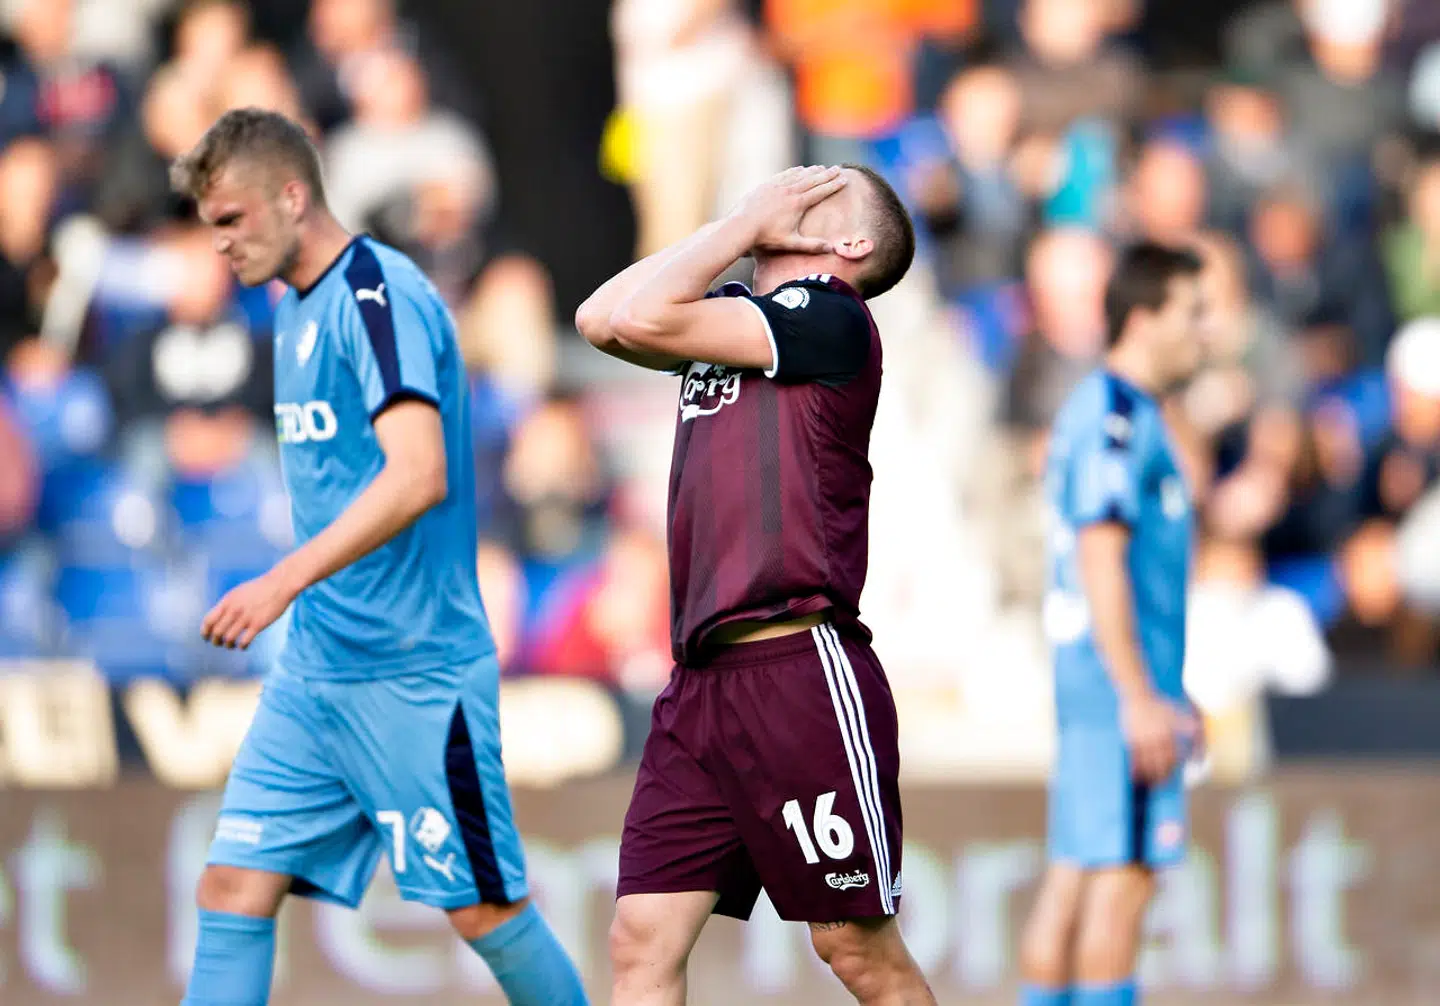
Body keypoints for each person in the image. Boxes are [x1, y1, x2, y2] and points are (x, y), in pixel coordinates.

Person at [169, 109, 587, 1006]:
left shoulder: (378, 294)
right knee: (232, 887)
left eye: (233, 219)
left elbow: (420, 473)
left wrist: (282, 579)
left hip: (415, 673)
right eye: (212, 227)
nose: (221, 244)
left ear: (292, 195)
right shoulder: (291, 309)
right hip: (321, 668)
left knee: (485, 912)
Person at [576, 164, 934, 1005]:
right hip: (701, 686)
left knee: (854, 947)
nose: (796, 183)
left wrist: (741, 227)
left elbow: (645, 314)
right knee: (640, 941)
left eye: (823, 186)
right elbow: (601, 318)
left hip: (798, 669)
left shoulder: (832, 316)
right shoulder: (741, 315)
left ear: (849, 242)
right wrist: (736, 226)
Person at [1019, 243, 1208, 1006]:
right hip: (1113, 685)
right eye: (1193, 313)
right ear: (1148, 315)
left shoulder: (1110, 410)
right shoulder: (1118, 415)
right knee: (1121, 884)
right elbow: (1101, 548)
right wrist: (1139, 694)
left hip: (1102, 679)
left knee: (1074, 876)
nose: (1205, 332)